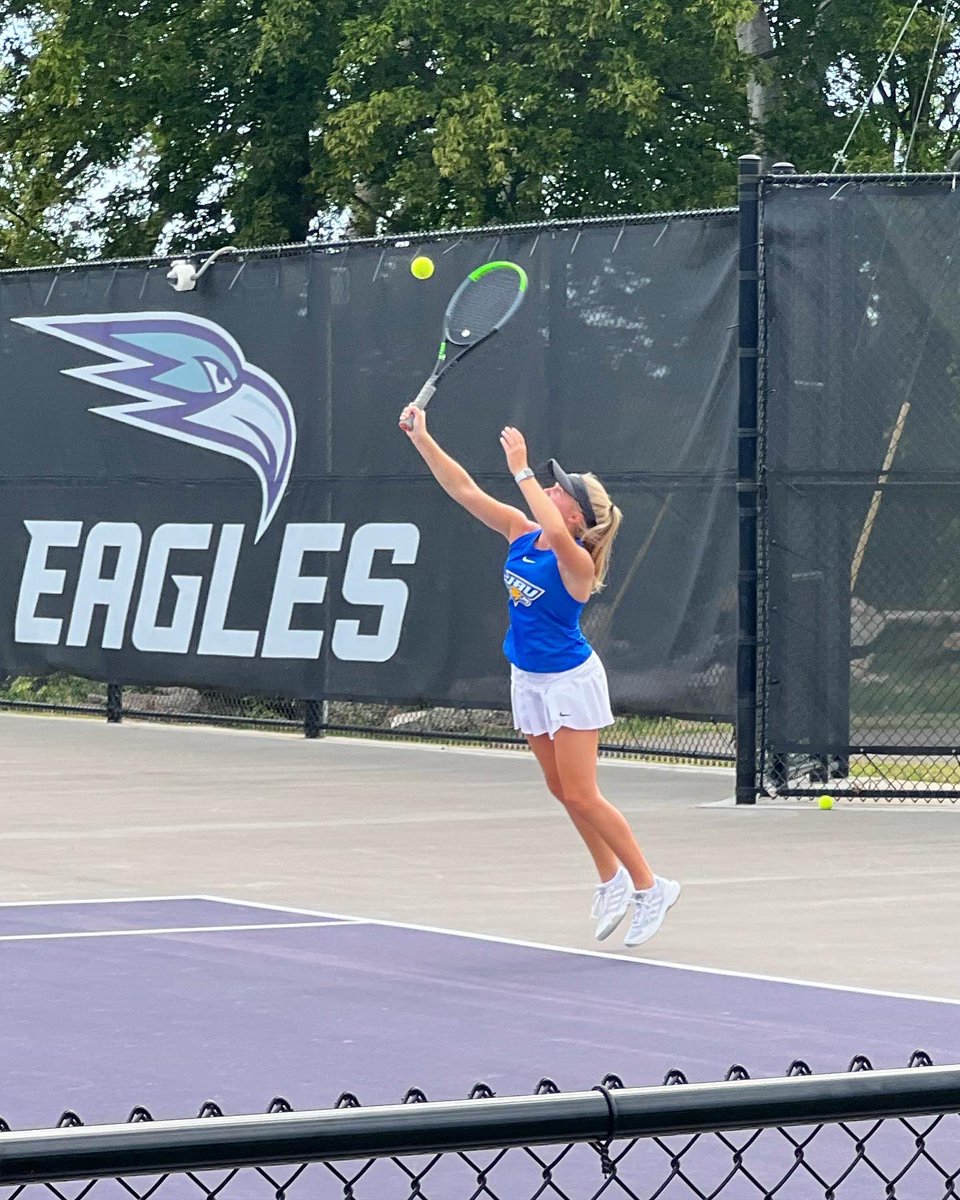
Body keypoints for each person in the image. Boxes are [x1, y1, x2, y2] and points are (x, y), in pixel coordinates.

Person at [399, 404, 680, 948]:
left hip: (569, 683)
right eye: (549, 486)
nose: (550, 491)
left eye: (560, 491)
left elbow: (551, 519)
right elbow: (462, 490)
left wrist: (523, 469)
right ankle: (612, 880)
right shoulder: (523, 534)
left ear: (577, 519)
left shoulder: (577, 564)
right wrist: (423, 439)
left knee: (583, 793)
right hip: (526, 679)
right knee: (561, 790)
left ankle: (652, 886)